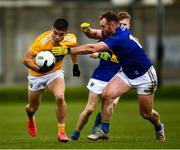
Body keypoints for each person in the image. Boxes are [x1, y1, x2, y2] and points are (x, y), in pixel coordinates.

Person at [51, 11, 165, 142]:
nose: (102, 29)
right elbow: (94, 34)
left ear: (112, 25)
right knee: (107, 95)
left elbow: (92, 48)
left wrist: (67, 50)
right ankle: (104, 131)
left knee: (146, 114)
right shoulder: (113, 31)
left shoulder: (119, 38)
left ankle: (158, 126)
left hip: (145, 76)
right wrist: (86, 30)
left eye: (103, 26)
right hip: (127, 73)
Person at [23, 18, 80, 142]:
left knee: (60, 97)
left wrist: (75, 65)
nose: (57, 37)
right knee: (33, 108)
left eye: (61, 34)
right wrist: (39, 69)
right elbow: (26, 59)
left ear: (67, 33)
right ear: (51, 29)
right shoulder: (41, 41)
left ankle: (61, 132)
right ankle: (30, 118)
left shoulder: (71, 38)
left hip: (55, 72)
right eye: (55, 33)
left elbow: (73, 49)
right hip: (36, 74)